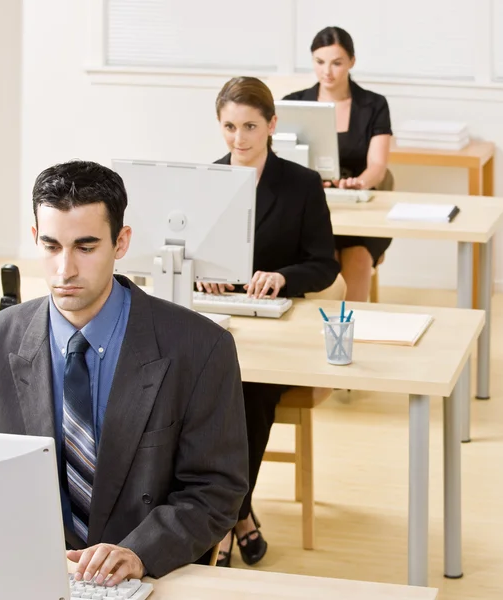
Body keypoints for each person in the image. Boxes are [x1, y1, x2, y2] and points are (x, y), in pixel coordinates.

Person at [0, 160, 249, 582]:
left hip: (152, 576)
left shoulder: (201, 348)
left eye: (86, 246)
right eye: (52, 246)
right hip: (32, 571)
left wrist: (139, 554)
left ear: (122, 242)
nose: (65, 270)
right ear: (35, 237)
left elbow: (217, 490)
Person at [198, 77, 340, 567]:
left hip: (277, 329)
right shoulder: (205, 179)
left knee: (249, 393)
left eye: (250, 126)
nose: (239, 138)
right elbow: (183, 253)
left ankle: (221, 521)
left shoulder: (300, 184)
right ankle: (239, 516)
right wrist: (204, 273)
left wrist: (281, 276)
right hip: (218, 324)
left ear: (272, 125)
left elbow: (325, 264)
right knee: (200, 391)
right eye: (229, 126)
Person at [284, 26, 393, 302]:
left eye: (336, 63)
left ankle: (353, 330)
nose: (327, 72)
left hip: (359, 209)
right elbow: (282, 161)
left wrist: (360, 182)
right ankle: (321, 333)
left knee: (356, 257)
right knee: (321, 260)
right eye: (319, 62)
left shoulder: (374, 104)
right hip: (313, 210)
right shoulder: (292, 103)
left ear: (352, 62)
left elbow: (378, 166)